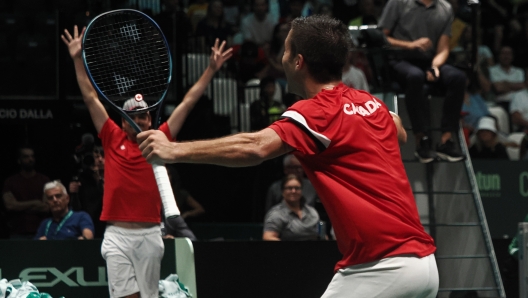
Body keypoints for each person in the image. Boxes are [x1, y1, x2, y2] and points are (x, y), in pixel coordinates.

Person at [138, 15, 438, 297]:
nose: (280, 57)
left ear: (298, 62)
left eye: (285, 50)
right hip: (425, 266)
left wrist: (173, 149)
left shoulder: (316, 112)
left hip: (382, 266)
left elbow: (255, 146)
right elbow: (399, 131)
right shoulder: (369, 103)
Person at [61, 25, 232, 298]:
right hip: (116, 234)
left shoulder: (161, 138)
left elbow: (187, 103)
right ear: (123, 122)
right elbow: (90, 97)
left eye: (145, 116)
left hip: (150, 235)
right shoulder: (110, 135)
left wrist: (211, 69)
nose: (140, 120)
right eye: (134, 116)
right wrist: (77, 59)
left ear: (150, 121)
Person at [378, 0, 467, 163]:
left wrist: (435, 66)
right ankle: (422, 141)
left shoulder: (444, 8)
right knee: (415, 76)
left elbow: (443, 47)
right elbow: (382, 36)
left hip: (429, 60)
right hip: (399, 59)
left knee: (457, 78)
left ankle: (446, 140)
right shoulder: (398, 3)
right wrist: (411, 45)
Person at [2, 146, 50, 238]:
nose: (30, 159)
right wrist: (35, 202)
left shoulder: (44, 180)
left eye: (32, 156)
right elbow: (10, 206)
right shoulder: (10, 181)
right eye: (26, 157)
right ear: (19, 160)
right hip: (17, 231)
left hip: (40, 231)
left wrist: (19, 206)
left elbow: (46, 208)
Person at [263, 174, 320, 241]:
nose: (293, 191)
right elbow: (268, 238)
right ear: (282, 191)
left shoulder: (312, 212)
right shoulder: (276, 214)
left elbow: (321, 235)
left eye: (297, 188)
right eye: (289, 188)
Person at [69, 145, 105, 238]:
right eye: (96, 157)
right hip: (89, 222)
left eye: (103, 156)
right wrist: (73, 192)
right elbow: (76, 207)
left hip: (109, 222)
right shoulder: (83, 179)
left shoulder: (115, 176)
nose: (100, 160)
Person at [489, 46, 526, 110]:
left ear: (512, 57)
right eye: (503, 53)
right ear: (499, 56)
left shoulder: (519, 71)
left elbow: (523, 86)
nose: (506, 56)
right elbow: (498, 88)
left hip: (517, 103)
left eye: (509, 54)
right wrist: (515, 85)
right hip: (500, 103)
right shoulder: (491, 70)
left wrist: (505, 84)